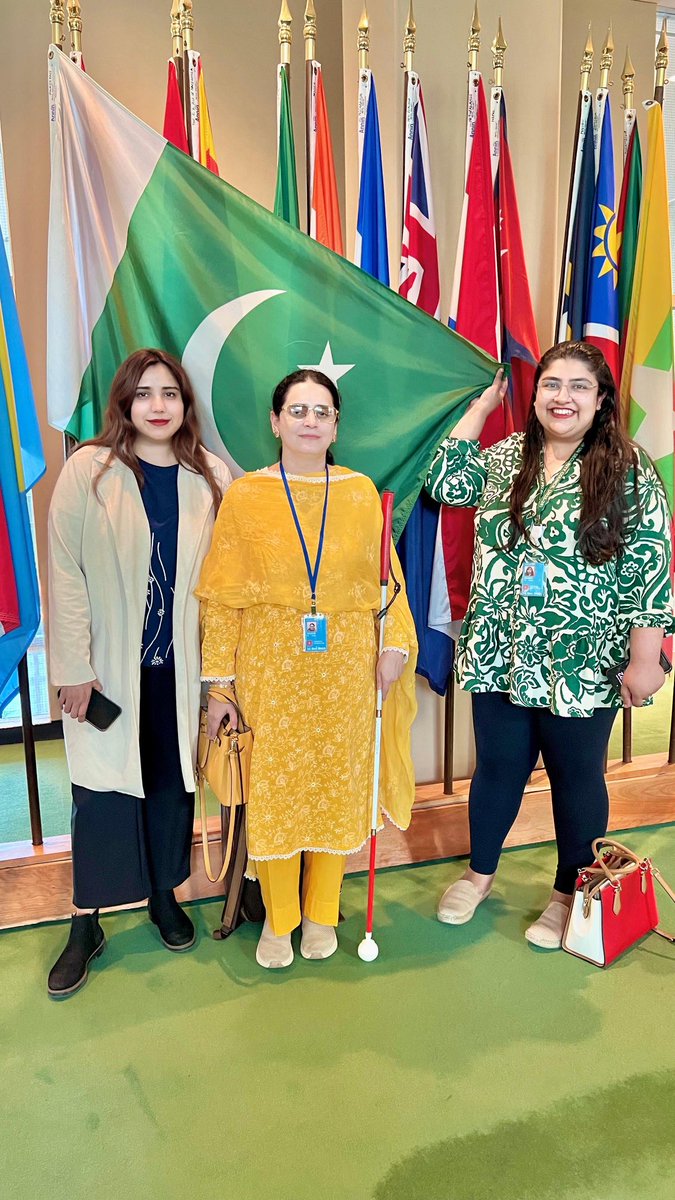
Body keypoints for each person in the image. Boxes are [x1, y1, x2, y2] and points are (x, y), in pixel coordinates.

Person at [427, 341, 674, 949]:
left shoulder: (630, 470)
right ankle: (479, 872)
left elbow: (650, 569)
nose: (562, 397)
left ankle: (570, 891)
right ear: (534, 395)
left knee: (575, 774)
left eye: (578, 386)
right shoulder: (507, 457)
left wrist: (646, 657)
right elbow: (443, 479)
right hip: (502, 651)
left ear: (601, 400)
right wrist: (482, 408)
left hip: (582, 659)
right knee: (499, 769)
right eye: (551, 385)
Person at [196, 368, 417, 969]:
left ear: (336, 424)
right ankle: (278, 919)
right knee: (276, 798)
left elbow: (388, 583)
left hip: (345, 673)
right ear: (275, 421)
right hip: (269, 673)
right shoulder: (246, 497)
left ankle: (321, 914)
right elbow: (222, 599)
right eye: (298, 410)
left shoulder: (360, 493)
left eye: (322, 411)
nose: (310, 421)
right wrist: (220, 684)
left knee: (336, 793)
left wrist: (394, 645)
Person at [47, 348, 231, 996]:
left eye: (170, 394)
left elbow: (226, 584)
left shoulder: (209, 475)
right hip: (107, 675)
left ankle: (162, 896)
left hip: (179, 674)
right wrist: (72, 668)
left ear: (185, 404)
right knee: (99, 795)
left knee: (169, 788)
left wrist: (221, 680)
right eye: (144, 393)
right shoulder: (87, 471)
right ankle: (85, 920)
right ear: (123, 402)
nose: (157, 405)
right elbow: (64, 572)